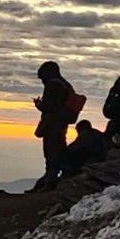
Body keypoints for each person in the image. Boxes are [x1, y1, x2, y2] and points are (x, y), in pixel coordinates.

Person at [31, 60, 78, 190]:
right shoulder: (65, 85)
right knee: (59, 147)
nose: (41, 80)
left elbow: (49, 106)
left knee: (51, 150)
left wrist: (39, 105)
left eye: (42, 77)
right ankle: (59, 175)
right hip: (61, 124)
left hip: (52, 124)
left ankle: (51, 181)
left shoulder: (53, 85)